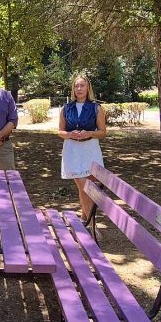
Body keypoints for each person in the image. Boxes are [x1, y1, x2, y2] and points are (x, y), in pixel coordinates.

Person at [58, 74, 107, 220]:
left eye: (82, 85)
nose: (79, 88)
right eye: (76, 86)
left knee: (86, 188)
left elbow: (103, 133)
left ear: (88, 88)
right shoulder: (66, 108)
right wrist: (69, 134)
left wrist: (90, 133)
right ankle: (92, 223)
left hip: (90, 150)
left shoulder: (96, 108)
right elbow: (60, 131)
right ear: (73, 89)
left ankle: (84, 220)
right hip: (72, 151)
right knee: (83, 186)